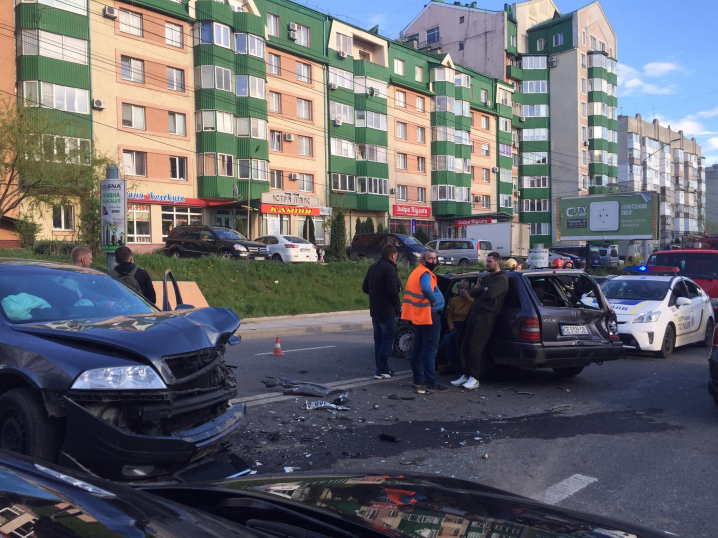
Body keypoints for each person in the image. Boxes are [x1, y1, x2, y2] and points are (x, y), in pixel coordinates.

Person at [453, 252, 509, 390]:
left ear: (497, 262)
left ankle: (474, 377)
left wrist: (482, 290)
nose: (487, 263)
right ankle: (466, 374)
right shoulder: (485, 278)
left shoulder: (502, 279)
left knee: (475, 346)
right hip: (475, 312)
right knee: (465, 343)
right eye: (487, 261)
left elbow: (490, 294)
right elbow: (473, 293)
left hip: (487, 315)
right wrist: (482, 289)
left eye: (489, 261)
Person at [401, 250, 449, 392]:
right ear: (423, 260)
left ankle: (418, 379)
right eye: (430, 259)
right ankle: (432, 382)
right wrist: (434, 301)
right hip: (430, 315)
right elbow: (426, 290)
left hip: (421, 315)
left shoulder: (416, 272)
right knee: (430, 350)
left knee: (419, 347)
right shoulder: (425, 274)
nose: (433, 261)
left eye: (435, 258)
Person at [362, 244, 402, 379]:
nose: (396, 258)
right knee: (388, 340)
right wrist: (397, 307)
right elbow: (393, 291)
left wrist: (376, 294)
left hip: (375, 310)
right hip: (387, 310)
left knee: (378, 340)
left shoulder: (373, 267)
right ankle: (382, 369)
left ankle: (380, 369)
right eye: (396, 256)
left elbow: (365, 287)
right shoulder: (390, 269)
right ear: (392, 255)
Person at [438, 280, 473, 375]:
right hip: (454, 324)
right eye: (461, 288)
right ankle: (439, 362)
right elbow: (449, 316)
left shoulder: (470, 300)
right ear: (458, 289)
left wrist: (468, 297)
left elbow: (476, 304)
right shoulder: (454, 300)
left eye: (466, 289)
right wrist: (451, 326)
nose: (463, 290)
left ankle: (451, 364)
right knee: (442, 343)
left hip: (464, 325)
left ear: (469, 290)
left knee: (448, 339)